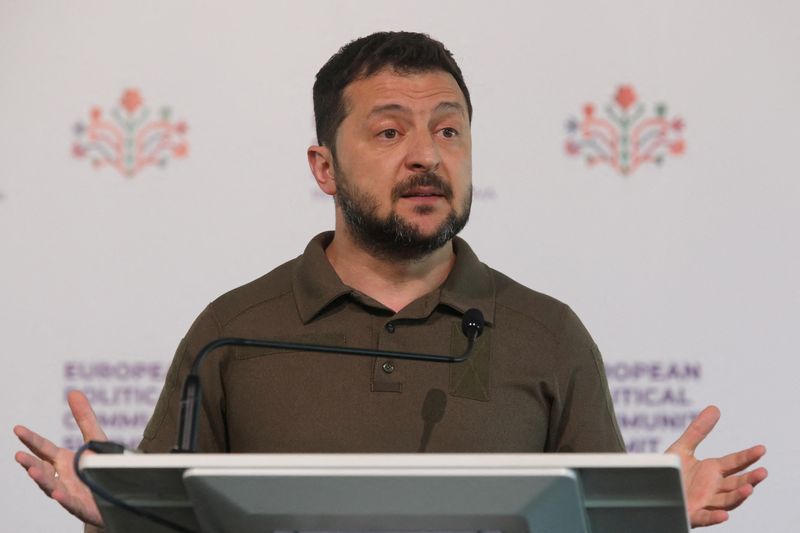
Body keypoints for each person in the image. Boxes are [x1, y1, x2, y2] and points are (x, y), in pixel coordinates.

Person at [14, 31, 766, 530]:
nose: (427, 156)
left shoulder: (549, 334)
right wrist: (113, 517)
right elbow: (172, 527)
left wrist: (651, 514)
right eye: (389, 131)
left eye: (448, 130)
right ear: (324, 168)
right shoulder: (230, 334)